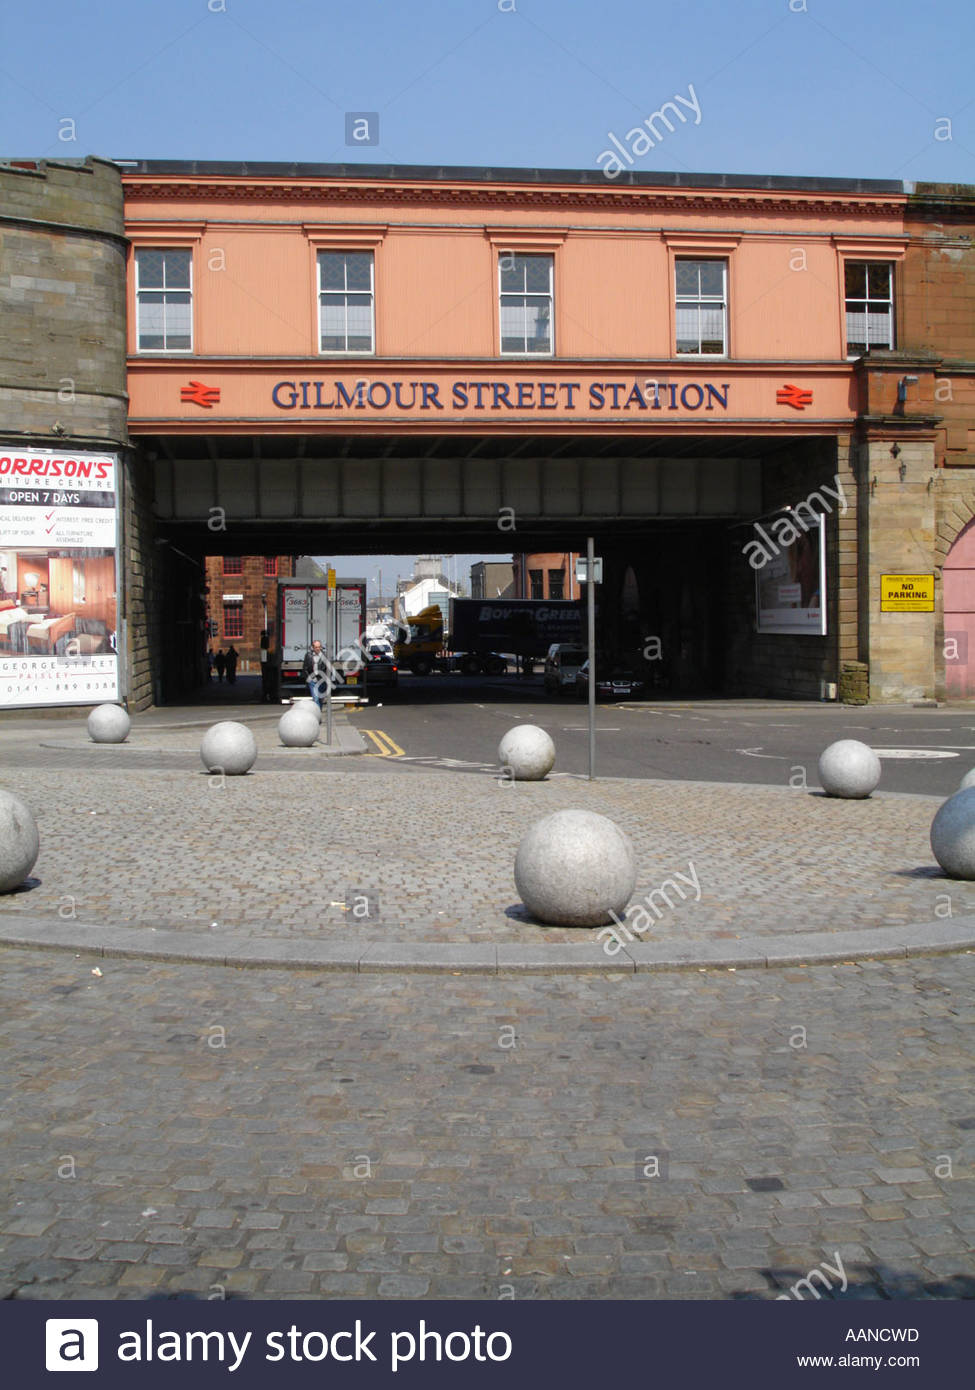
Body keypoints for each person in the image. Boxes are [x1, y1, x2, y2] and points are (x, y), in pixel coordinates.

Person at [303, 638, 330, 708]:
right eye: (316, 647)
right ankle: (318, 716)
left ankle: (319, 713)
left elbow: (328, 669)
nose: (318, 649)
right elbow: (305, 668)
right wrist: (309, 678)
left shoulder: (325, 656)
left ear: (321, 647)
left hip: (322, 681)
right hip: (313, 681)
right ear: (313, 648)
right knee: (316, 699)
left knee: (320, 699)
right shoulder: (308, 655)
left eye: (319, 647)